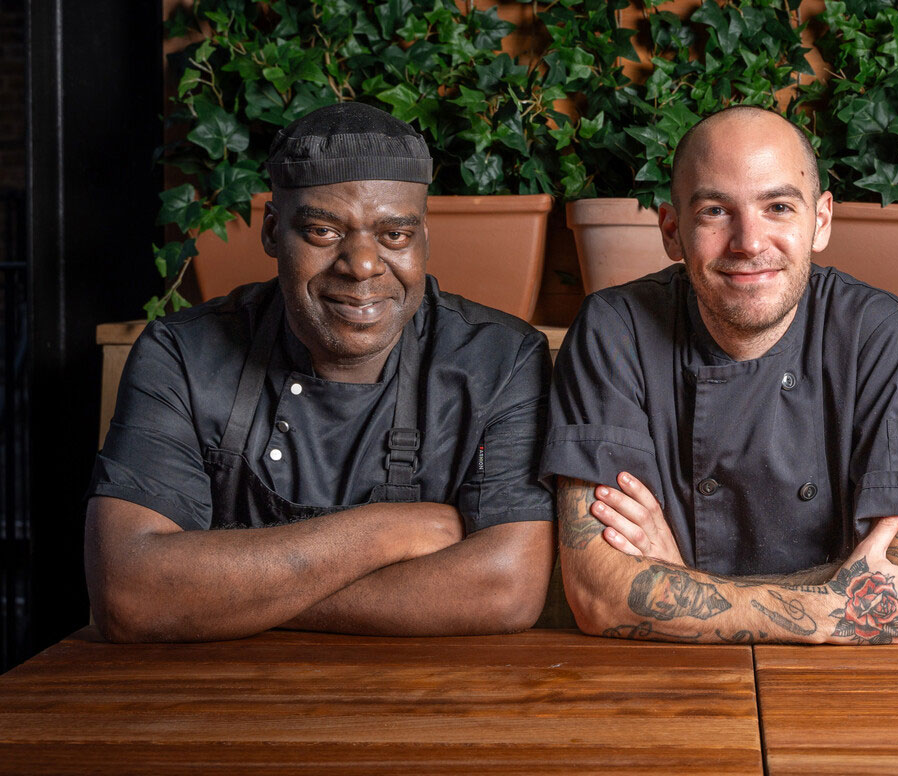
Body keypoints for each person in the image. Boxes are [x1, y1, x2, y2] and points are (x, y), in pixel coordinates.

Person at [85, 102, 554, 642]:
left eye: (394, 236)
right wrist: (385, 535)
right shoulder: (181, 355)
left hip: (429, 700)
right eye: (324, 231)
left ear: (424, 237)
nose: (362, 265)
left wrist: (219, 597)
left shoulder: (500, 359)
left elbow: (506, 590)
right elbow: (129, 593)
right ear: (271, 232)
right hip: (215, 697)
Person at [543, 106, 898, 644]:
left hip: (842, 688)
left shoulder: (877, 332)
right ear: (672, 231)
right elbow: (596, 594)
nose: (749, 242)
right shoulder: (616, 329)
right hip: (664, 684)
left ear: (820, 221)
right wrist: (827, 608)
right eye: (715, 211)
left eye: (777, 206)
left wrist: (678, 584)